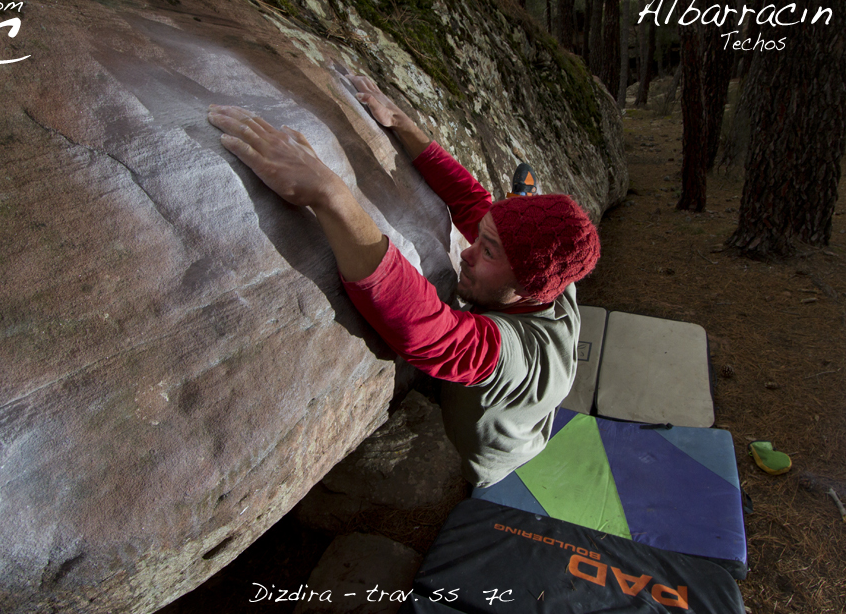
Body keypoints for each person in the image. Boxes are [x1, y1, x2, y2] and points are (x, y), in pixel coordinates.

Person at [207, 75, 600, 488]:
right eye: (480, 240)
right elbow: (471, 201)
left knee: (475, 434)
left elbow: (430, 331)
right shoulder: (551, 279)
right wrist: (403, 124)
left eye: (487, 252)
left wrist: (329, 194)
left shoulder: (514, 356)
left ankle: (477, 477)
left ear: (527, 287)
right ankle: (521, 205)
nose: (466, 251)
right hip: (530, 375)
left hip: (501, 448)